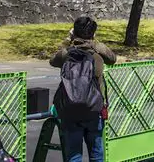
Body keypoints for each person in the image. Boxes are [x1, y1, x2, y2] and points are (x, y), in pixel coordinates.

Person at [49, 15, 117, 162]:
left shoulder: (67, 54)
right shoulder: (97, 55)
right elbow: (112, 58)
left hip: (70, 109)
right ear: (93, 33)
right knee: (96, 154)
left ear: (75, 31)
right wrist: (95, 42)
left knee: (74, 154)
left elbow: (52, 61)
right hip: (94, 109)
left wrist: (68, 41)